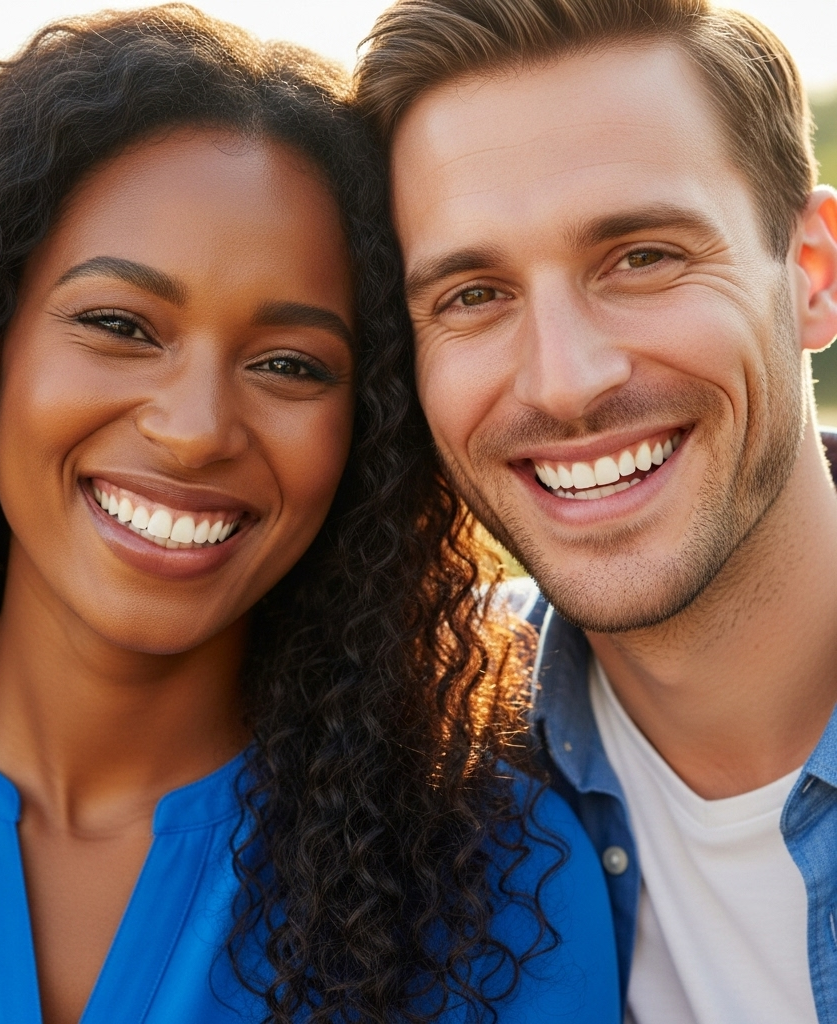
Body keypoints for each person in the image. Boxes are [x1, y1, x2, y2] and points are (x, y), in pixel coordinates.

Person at [0, 6, 618, 1023]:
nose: (194, 431)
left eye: (290, 364)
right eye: (118, 325)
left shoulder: (500, 891)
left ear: (367, 428)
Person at [355, 0, 837, 1021]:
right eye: (472, 294)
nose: (565, 381)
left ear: (809, 275)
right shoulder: (411, 780)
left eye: (643, 256)